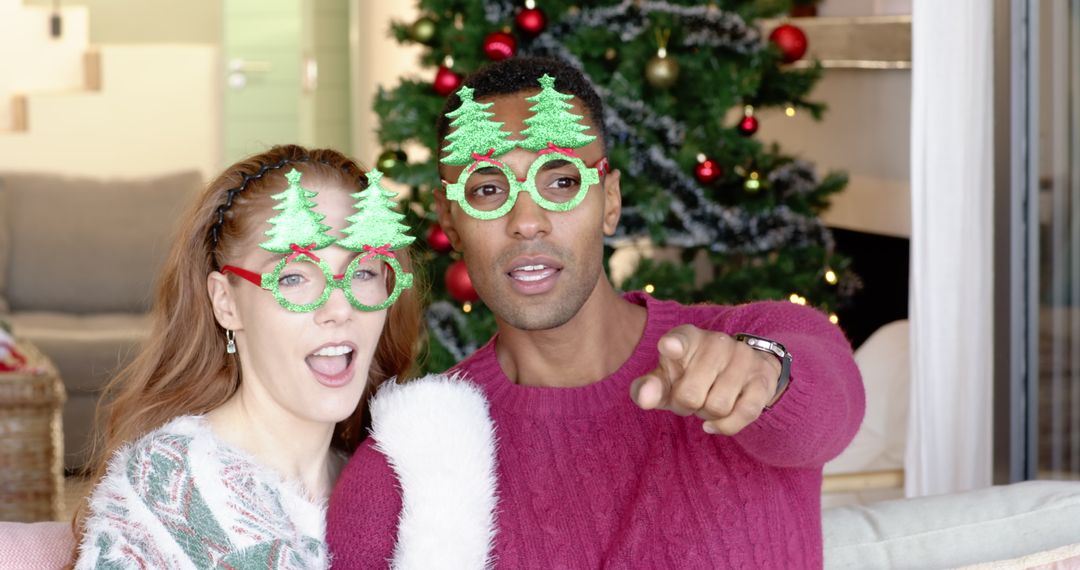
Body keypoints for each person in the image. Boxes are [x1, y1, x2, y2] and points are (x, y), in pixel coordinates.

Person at [327, 57, 865, 568]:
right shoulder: (420, 445)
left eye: (560, 182)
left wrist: (764, 374)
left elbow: (827, 412)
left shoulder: (758, 341)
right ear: (450, 220)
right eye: (488, 190)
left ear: (609, 201)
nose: (528, 221)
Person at [72, 145, 496, 569]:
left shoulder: (393, 479)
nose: (338, 308)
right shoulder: (169, 481)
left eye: (364, 271)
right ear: (226, 303)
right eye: (293, 277)